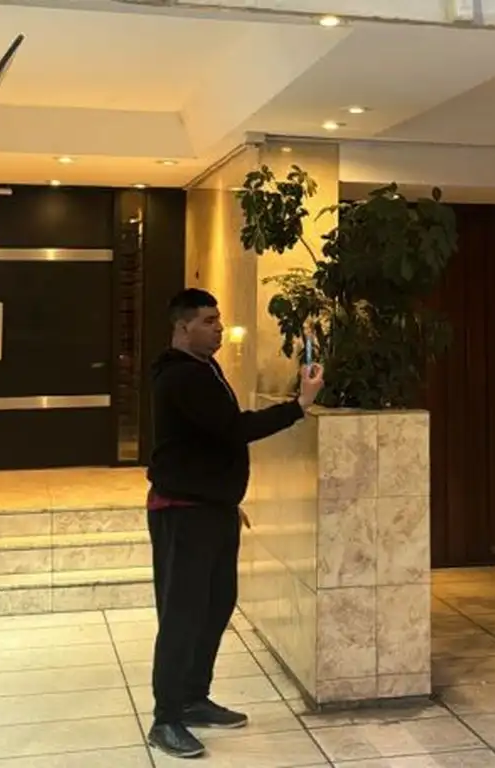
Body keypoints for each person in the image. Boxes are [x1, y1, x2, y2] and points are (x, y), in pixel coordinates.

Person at [145, 288, 324, 759]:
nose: (219, 328)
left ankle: (193, 696)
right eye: (208, 321)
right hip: (183, 512)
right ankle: (167, 718)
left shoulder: (204, 369)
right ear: (182, 326)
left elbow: (210, 443)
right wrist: (299, 406)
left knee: (217, 604)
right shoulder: (180, 376)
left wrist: (225, 500)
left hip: (212, 509)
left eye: (219, 319)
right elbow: (234, 429)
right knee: (183, 614)